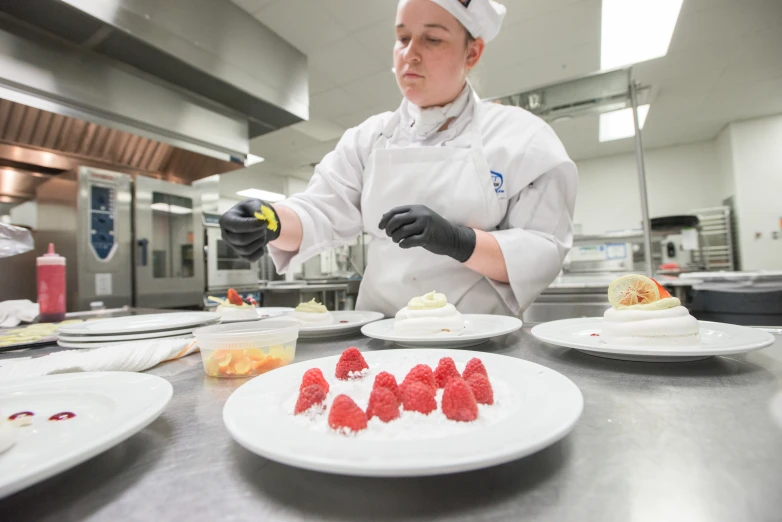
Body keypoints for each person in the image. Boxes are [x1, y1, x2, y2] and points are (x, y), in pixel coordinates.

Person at [220, 0, 578, 318]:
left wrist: (458, 240)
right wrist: (270, 222)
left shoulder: (522, 138)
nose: (410, 53)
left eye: (432, 39)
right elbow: (321, 209)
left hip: (477, 345)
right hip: (380, 339)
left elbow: (542, 249)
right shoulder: (368, 138)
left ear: (472, 53)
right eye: (403, 37)